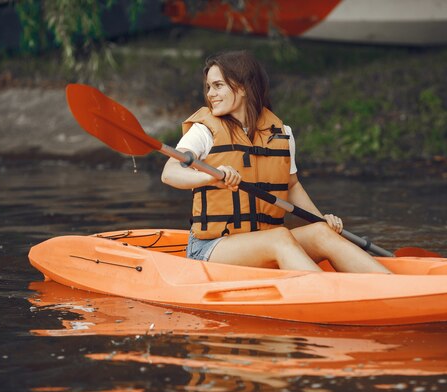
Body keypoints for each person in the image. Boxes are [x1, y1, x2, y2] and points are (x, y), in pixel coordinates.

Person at [162, 51, 390, 273]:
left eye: (218, 85)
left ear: (243, 87)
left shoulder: (281, 134)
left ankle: (390, 287)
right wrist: (208, 177)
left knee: (320, 232)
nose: (210, 94)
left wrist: (321, 221)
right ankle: (330, 296)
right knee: (279, 237)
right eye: (209, 87)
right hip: (211, 248)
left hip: (265, 241)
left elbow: (291, 186)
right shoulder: (204, 131)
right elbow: (170, 173)